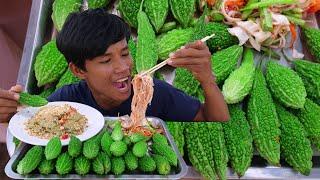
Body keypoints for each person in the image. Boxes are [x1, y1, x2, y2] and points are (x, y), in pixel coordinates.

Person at [0, 9, 229, 136]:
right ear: (79, 70)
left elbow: (214, 120)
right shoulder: (67, 102)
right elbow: (34, 125)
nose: (124, 67)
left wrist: (207, 80)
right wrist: (14, 114)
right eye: (106, 60)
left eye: (125, 53)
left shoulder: (155, 93)